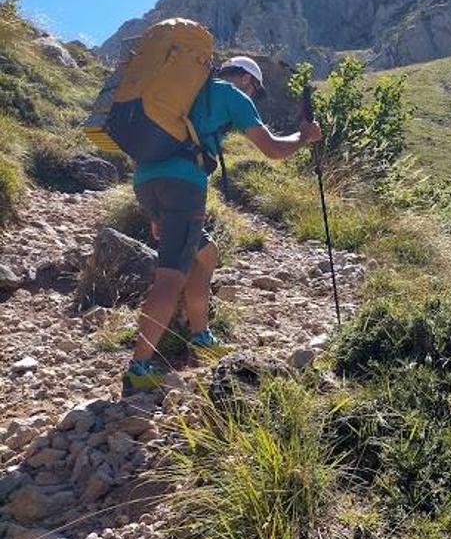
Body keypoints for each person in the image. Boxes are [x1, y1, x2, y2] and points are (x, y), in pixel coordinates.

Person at [123, 56, 322, 395]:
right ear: (245, 78)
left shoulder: (184, 92)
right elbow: (272, 149)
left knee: (206, 252)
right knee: (171, 276)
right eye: (254, 88)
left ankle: (201, 337)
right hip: (183, 183)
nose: (253, 93)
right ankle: (139, 368)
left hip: (146, 179)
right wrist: (305, 137)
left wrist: (157, 215)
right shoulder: (232, 96)